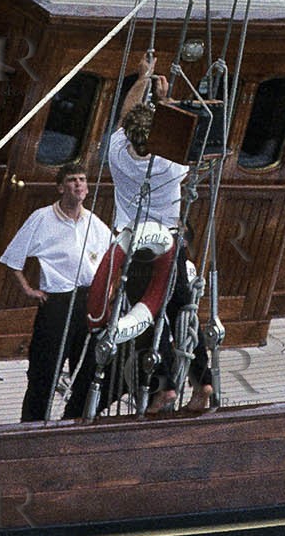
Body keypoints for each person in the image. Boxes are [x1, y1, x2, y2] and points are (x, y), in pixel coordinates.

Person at [65, 51, 211, 415]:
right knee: (183, 310)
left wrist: (143, 77)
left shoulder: (117, 154)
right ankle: (203, 383)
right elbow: (177, 132)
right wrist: (164, 100)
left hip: (136, 250)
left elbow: (125, 115)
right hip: (170, 247)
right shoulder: (172, 163)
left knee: (142, 319)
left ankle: (163, 389)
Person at [0, 160, 111, 422]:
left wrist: (106, 293)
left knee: (85, 369)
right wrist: (28, 289)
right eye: (73, 180)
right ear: (61, 187)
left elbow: (111, 260)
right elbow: (13, 258)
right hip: (57, 302)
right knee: (45, 369)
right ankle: (32, 425)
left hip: (88, 301)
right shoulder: (42, 218)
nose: (79, 185)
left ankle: (73, 421)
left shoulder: (94, 223)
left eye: (82, 179)